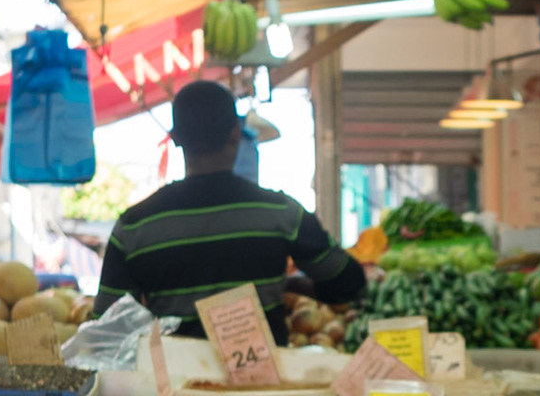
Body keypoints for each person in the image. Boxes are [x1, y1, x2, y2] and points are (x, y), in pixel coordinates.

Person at [95, 80, 365, 343]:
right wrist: (292, 285)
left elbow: (108, 330)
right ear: (235, 134)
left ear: (175, 139)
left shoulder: (133, 227)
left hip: (174, 385)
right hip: (268, 387)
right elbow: (349, 282)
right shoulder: (281, 213)